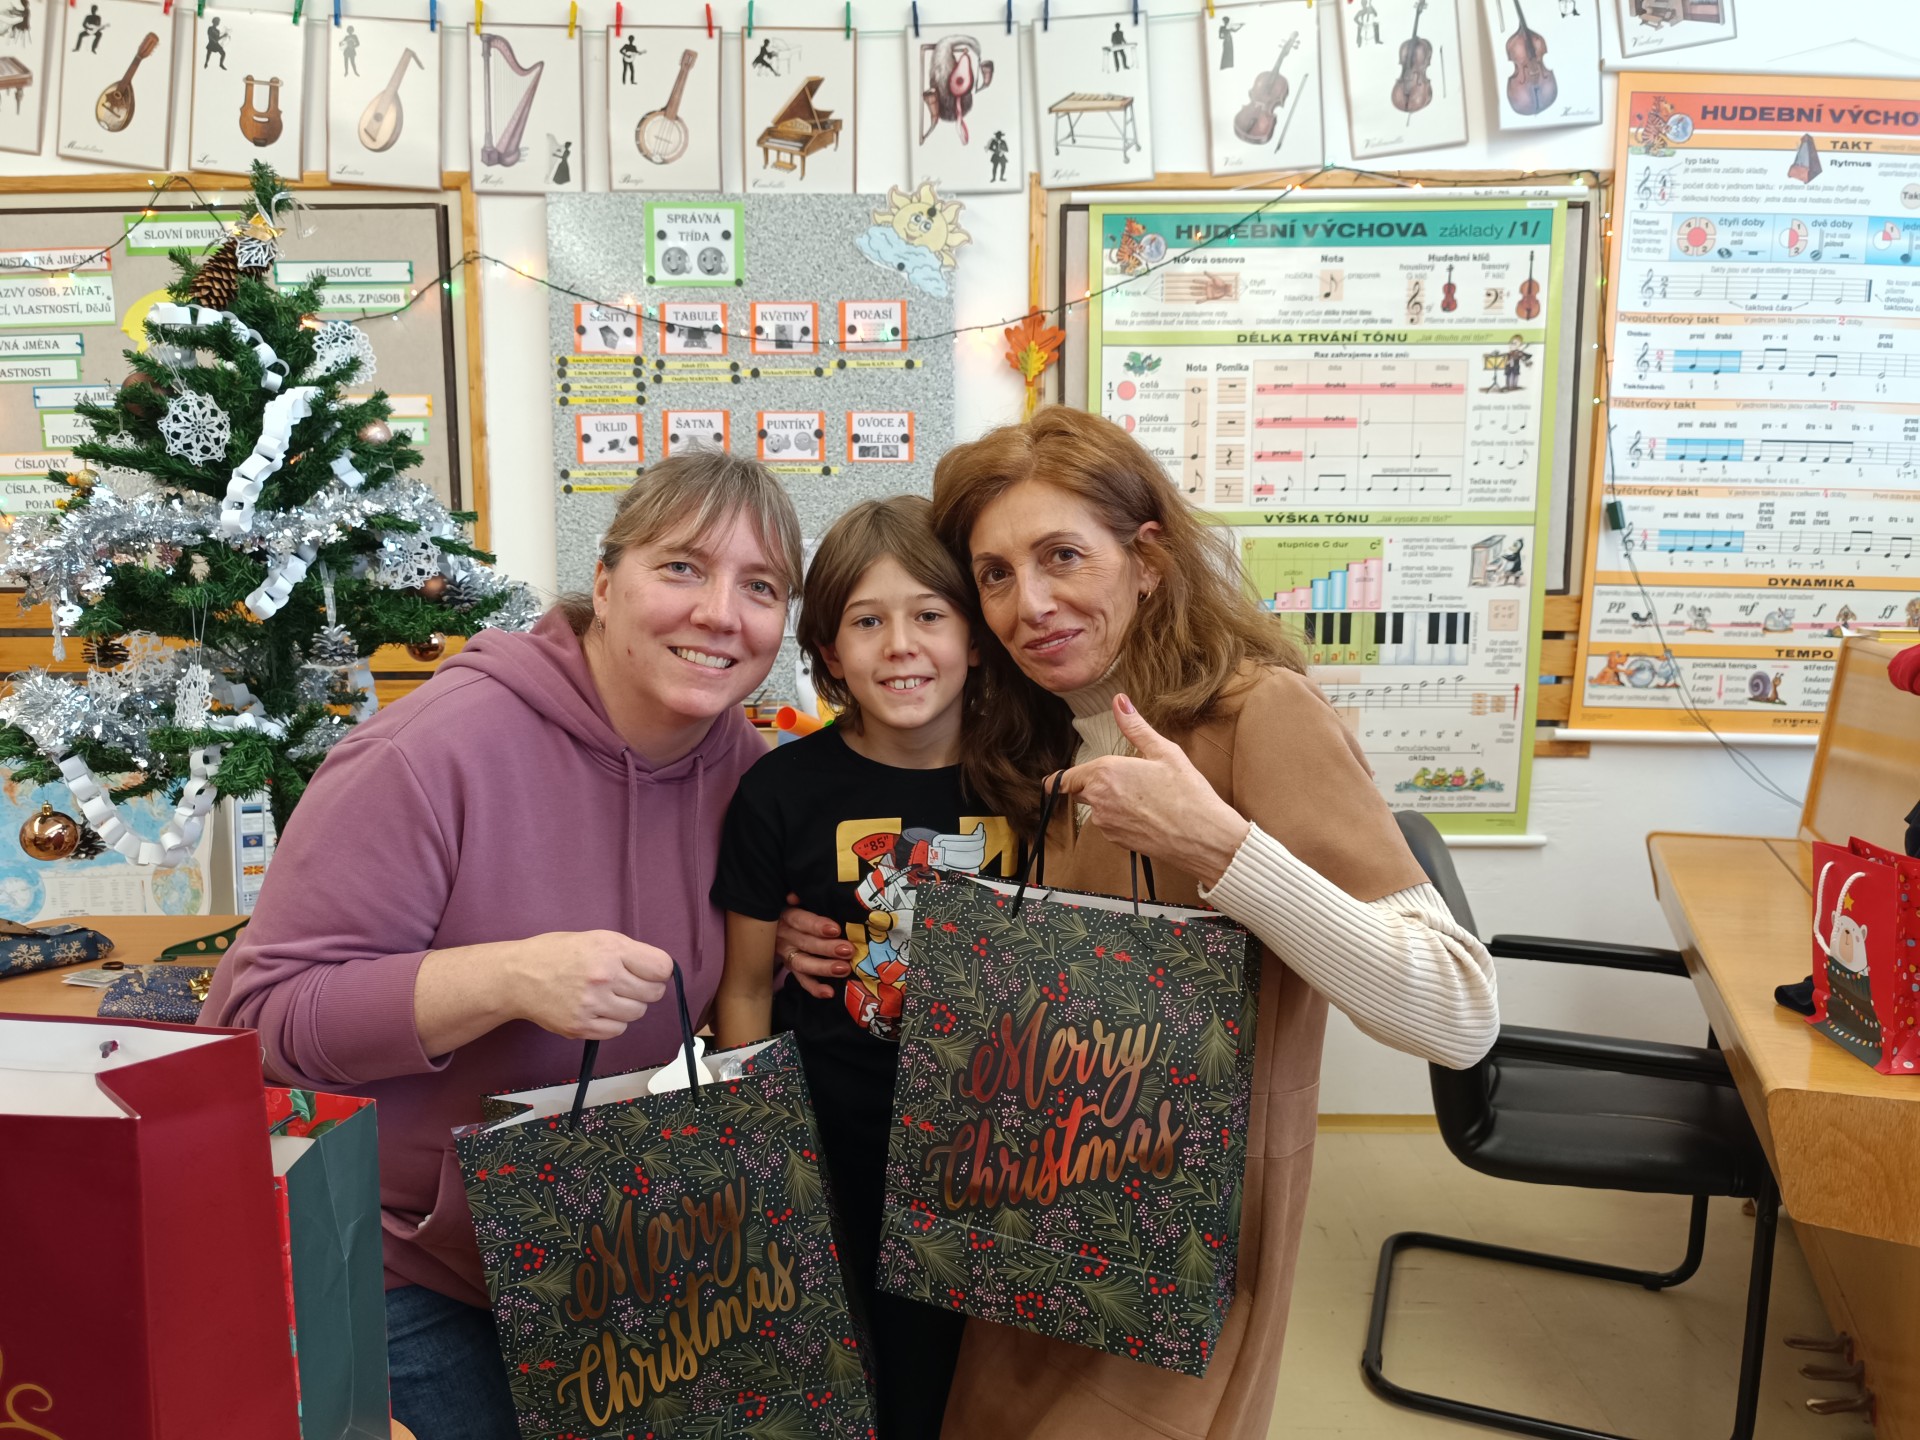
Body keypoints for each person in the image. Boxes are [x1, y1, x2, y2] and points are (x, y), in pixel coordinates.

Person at [775, 407, 1497, 1440]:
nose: (1031, 604)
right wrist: (826, 935)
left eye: (1063, 556)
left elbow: (1458, 1014)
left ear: (1147, 560)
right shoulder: (1030, 739)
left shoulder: (1257, 714)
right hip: (1018, 1221)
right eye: (994, 575)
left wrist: (1222, 848)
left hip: (1172, 1249)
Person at [199, 452, 804, 1440]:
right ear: (604, 581)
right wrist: (507, 978)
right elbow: (259, 1025)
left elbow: (716, 974)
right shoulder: (428, 754)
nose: (721, 613)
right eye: (682, 568)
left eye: (762, 587)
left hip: (598, 1248)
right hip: (399, 1260)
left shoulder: (745, 769)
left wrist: (788, 943)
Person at [714, 496, 1012, 1437]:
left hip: (992, 1152)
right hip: (832, 1138)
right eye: (867, 621)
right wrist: (753, 1152)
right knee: (840, 1372)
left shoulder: (1032, 779)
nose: (902, 646)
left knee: (953, 1381)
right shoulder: (778, 792)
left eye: (930, 615)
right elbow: (744, 986)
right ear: (829, 653)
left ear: (975, 639)